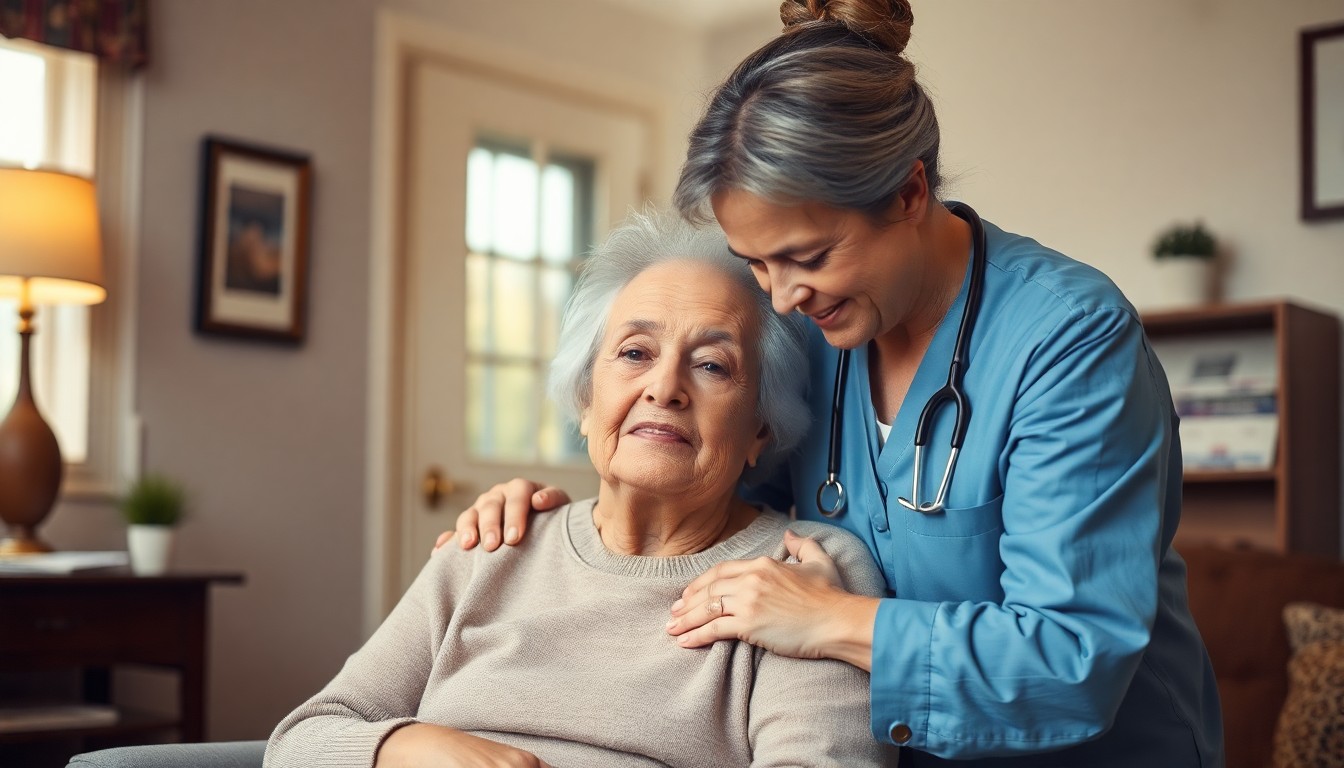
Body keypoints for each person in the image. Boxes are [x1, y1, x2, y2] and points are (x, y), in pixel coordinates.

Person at [443, 1, 1225, 766]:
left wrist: (832, 620)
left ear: (909, 194)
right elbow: (711, 495)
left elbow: (1071, 663)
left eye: (809, 257)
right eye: (757, 263)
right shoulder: (812, 330)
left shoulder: (1069, 341)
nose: (783, 298)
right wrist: (549, 519)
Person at [266, 211, 900, 768]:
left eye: (712, 365)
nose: (665, 388)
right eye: (635, 353)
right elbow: (300, 740)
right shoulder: (491, 547)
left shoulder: (807, 575)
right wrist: (409, 748)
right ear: (585, 399)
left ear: (762, 426)